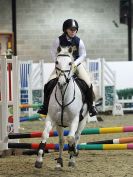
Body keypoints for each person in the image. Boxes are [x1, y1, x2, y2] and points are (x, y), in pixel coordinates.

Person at [38, 19, 97, 117]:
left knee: (88, 83)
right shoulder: (58, 40)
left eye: (75, 29)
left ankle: (91, 107)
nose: (74, 31)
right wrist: (58, 63)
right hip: (62, 67)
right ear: (66, 30)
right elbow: (53, 52)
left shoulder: (79, 41)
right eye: (71, 29)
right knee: (48, 83)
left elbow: (83, 55)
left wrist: (75, 63)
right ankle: (45, 106)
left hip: (76, 66)